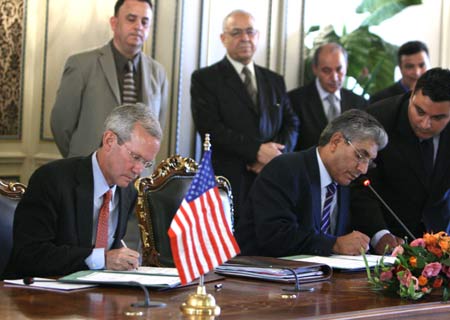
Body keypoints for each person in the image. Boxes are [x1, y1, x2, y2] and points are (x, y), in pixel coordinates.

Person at [6, 103, 162, 277]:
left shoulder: (128, 192)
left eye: (146, 163)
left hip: (95, 294)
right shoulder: (52, 180)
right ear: (109, 140)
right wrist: (101, 259)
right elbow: (29, 255)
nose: (138, 169)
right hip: (38, 295)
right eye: (135, 157)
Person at [235, 109, 388, 257]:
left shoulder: (345, 183)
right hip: (259, 275)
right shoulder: (285, 169)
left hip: (318, 278)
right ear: (336, 141)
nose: (363, 169)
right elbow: (275, 236)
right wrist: (334, 244)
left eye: (369, 162)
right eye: (360, 155)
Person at [190, 10, 299, 215]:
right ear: (223, 38)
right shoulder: (205, 79)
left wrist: (276, 156)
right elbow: (209, 128)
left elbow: (291, 123)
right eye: (236, 33)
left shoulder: (274, 80)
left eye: (250, 32)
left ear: (257, 36)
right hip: (229, 182)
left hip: (272, 179)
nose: (245, 38)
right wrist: (257, 151)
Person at [351, 68, 450, 255]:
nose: (424, 123)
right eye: (419, 111)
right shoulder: (377, 119)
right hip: (387, 239)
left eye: (437, 117)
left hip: (441, 238)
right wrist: (379, 234)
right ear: (412, 93)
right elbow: (361, 185)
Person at [51, 0, 167, 158]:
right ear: (114, 23)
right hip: (89, 172)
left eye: (144, 22)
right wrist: (80, 162)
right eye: (131, 19)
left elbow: (156, 130)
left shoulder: (158, 73)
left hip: (138, 176)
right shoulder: (81, 65)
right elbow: (61, 125)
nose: (139, 26)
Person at [288, 43, 367, 151]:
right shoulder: (294, 101)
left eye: (339, 70)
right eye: (326, 70)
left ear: (346, 66)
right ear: (315, 69)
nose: (334, 78)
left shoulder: (359, 103)